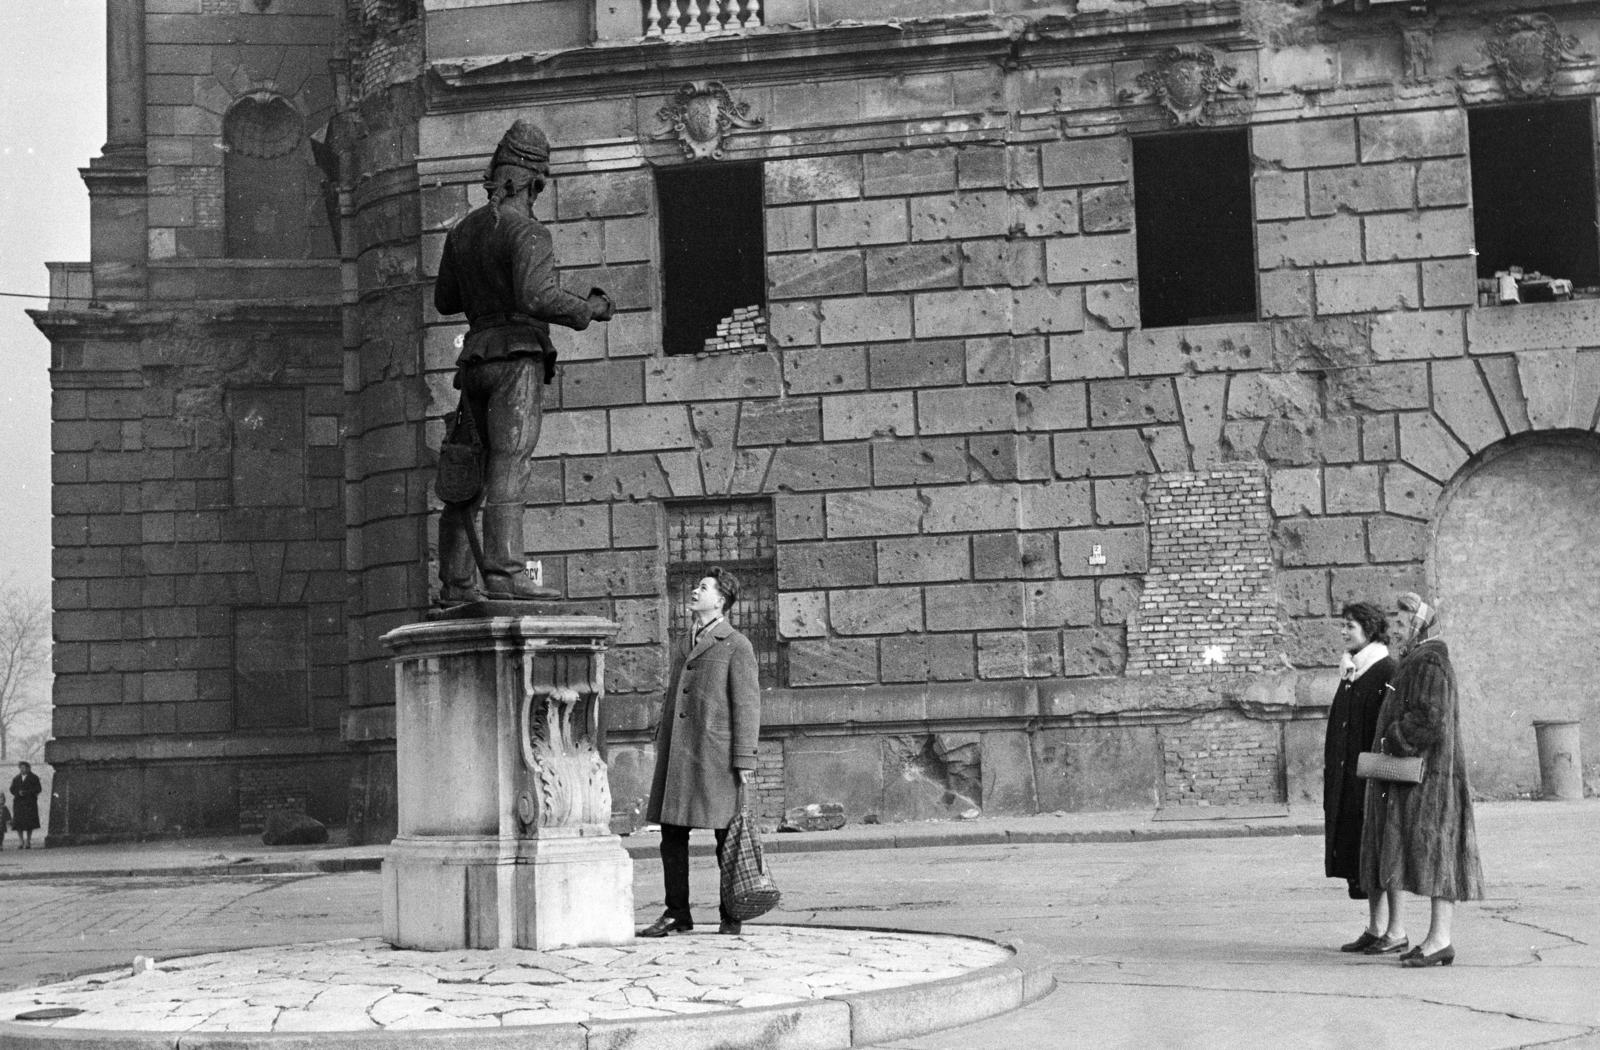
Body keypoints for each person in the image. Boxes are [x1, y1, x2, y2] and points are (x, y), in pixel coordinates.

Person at [433, 119, 613, 603]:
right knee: (510, 463)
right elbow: (536, 296)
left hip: (473, 361)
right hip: (516, 359)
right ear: (532, 183)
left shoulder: (462, 233)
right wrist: (587, 310)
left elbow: (445, 300)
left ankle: (455, 584)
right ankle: (505, 573)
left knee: (466, 466)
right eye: (538, 189)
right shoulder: (529, 232)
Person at [1359, 592, 1484, 967]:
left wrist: (1392, 737)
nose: (1395, 629)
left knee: (1437, 855)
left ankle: (1439, 940)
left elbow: (1431, 719)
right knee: (1430, 855)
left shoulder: (1430, 661)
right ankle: (1434, 938)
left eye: (1401, 622)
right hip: (1425, 779)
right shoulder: (1418, 658)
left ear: (1418, 623)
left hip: (1432, 781)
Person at [639, 567, 761, 937]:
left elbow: (747, 705)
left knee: (727, 836)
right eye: (696, 586)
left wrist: (744, 759)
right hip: (679, 755)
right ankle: (677, 913)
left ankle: (731, 914)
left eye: (703, 588)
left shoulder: (736, 644)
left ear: (720, 600)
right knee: (672, 834)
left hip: (717, 755)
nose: (694, 591)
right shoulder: (684, 640)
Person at [1324, 601, 1396, 952]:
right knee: (1364, 854)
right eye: (1343, 625)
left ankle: (1395, 932)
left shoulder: (1385, 670)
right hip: (1353, 777)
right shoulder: (1353, 670)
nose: (1343, 631)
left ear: (1369, 629)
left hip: (1376, 779)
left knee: (1384, 853)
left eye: (1349, 626)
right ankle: (1375, 927)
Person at [9, 761, 42, 850]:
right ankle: (21, 841)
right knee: (18, 823)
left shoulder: (34, 778)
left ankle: (28, 841)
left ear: (28, 768)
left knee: (29, 823)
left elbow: (38, 789)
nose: (22, 770)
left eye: (24, 768)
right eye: (21, 768)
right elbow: (12, 789)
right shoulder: (16, 778)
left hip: (30, 803)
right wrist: (18, 793)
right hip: (19, 803)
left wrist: (27, 793)